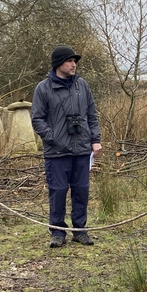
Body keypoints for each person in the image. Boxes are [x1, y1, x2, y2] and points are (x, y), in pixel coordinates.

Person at [31, 45, 102, 248]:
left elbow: (92, 115)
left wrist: (95, 140)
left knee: (81, 191)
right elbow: (37, 119)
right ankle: (57, 232)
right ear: (59, 64)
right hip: (56, 152)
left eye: (75, 61)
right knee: (58, 191)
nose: (74, 64)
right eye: (70, 61)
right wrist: (53, 137)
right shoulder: (43, 89)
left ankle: (80, 231)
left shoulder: (82, 86)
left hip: (81, 150)